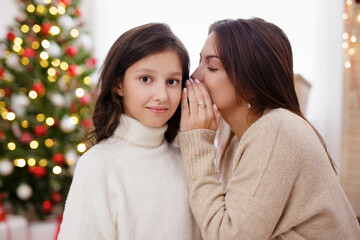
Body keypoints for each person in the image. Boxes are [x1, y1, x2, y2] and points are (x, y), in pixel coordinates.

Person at [179, 18, 360, 239]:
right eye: (200, 62)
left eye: (212, 67)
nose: (195, 76)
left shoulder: (275, 129)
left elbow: (228, 235)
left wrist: (197, 141)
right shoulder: (236, 135)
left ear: (250, 82)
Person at [58, 23, 201, 239]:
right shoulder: (99, 165)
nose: (162, 95)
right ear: (118, 85)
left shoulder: (187, 161)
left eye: (172, 81)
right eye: (146, 79)